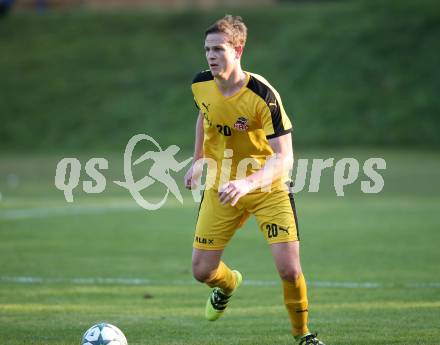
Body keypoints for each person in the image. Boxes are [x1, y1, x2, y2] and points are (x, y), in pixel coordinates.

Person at [184, 15, 326, 345]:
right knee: (202, 272)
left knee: (289, 269)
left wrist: (248, 183)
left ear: (238, 50)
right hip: (221, 187)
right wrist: (199, 159)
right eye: (207, 49)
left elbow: (284, 158)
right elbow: (204, 115)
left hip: (267, 187)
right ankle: (228, 284)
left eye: (218, 48)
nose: (210, 55)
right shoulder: (200, 84)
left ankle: (302, 335)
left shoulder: (263, 95)